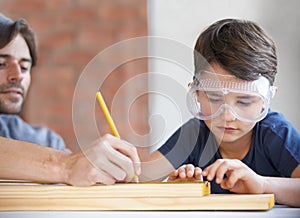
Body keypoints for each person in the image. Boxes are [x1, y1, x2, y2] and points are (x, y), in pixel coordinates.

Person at [150, 18, 300, 207]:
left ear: (266, 100)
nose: (227, 116)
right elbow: (136, 178)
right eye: (214, 99)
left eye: (244, 101)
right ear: (197, 93)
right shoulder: (193, 135)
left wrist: (262, 185)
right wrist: (178, 191)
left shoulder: (276, 133)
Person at [0, 13, 141, 186]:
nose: (18, 76)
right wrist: (67, 165)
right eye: (1, 64)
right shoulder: (60, 157)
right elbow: (70, 168)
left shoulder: (46, 142)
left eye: (24, 67)